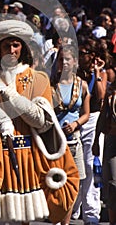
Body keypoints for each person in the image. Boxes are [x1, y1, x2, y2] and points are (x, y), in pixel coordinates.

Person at [0, 19, 79, 224]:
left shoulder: (39, 79)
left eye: (16, 44)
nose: (12, 49)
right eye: (6, 45)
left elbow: (42, 121)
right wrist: (2, 120)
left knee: (23, 217)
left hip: (27, 157)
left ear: (24, 47)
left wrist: (11, 96)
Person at [51, 44, 90, 225]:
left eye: (68, 59)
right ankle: (56, 218)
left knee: (73, 184)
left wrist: (76, 123)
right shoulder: (52, 84)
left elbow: (86, 113)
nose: (64, 62)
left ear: (74, 61)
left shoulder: (81, 85)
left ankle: (65, 222)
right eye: (61, 59)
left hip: (74, 140)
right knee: (55, 184)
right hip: (54, 141)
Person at [72, 38, 107, 224]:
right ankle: (73, 208)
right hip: (75, 119)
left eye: (84, 53)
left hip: (92, 119)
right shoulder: (74, 72)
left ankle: (91, 213)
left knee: (90, 165)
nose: (81, 56)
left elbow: (100, 97)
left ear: (92, 56)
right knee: (74, 166)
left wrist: (97, 72)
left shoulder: (99, 73)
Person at [92, 78, 116, 225]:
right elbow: (102, 119)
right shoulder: (111, 95)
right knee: (113, 182)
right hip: (112, 140)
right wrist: (96, 140)